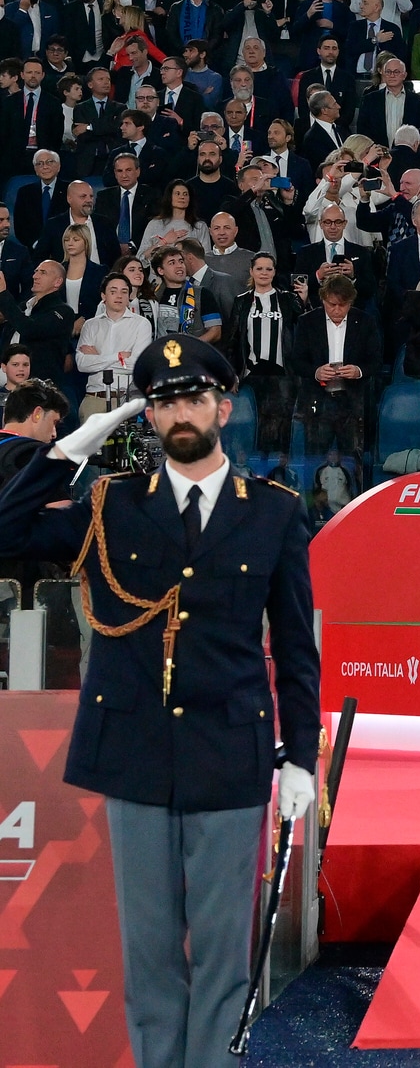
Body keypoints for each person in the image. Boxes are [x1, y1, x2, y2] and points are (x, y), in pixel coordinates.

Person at [0, 333, 317, 1068]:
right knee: (149, 959)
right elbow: (7, 530)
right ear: (149, 417)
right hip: (135, 753)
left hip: (230, 754)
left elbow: (297, 648)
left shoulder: (272, 512)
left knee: (223, 958)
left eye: (194, 399)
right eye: (164, 402)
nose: (181, 413)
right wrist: (69, 449)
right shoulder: (112, 503)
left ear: (222, 408)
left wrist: (301, 756)